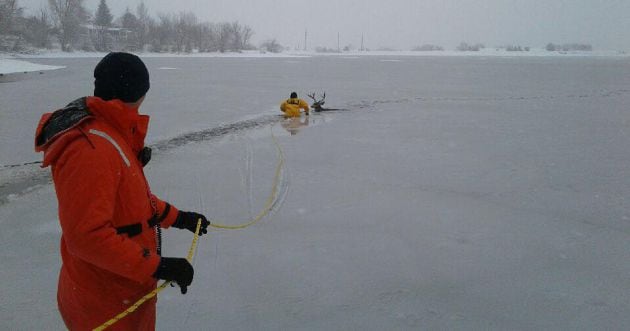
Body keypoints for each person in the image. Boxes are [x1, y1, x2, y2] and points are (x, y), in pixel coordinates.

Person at [34, 52, 211, 330]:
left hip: (123, 295)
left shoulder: (112, 132)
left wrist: (179, 218)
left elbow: (131, 203)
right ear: (139, 92)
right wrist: (157, 266)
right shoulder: (92, 148)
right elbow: (86, 237)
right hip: (104, 305)